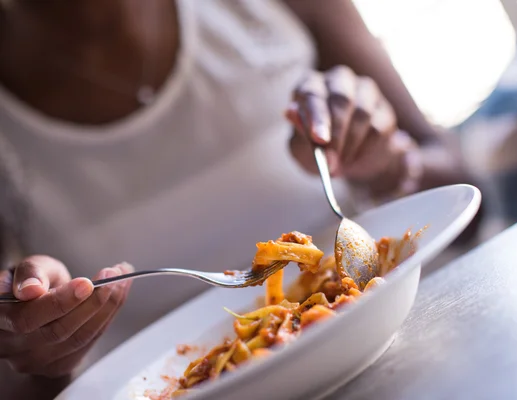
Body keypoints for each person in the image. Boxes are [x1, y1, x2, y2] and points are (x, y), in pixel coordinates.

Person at [0, 0, 473, 395]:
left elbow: (466, 193)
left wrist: (390, 165)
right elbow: (27, 381)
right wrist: (45, 342)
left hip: (414, 351)